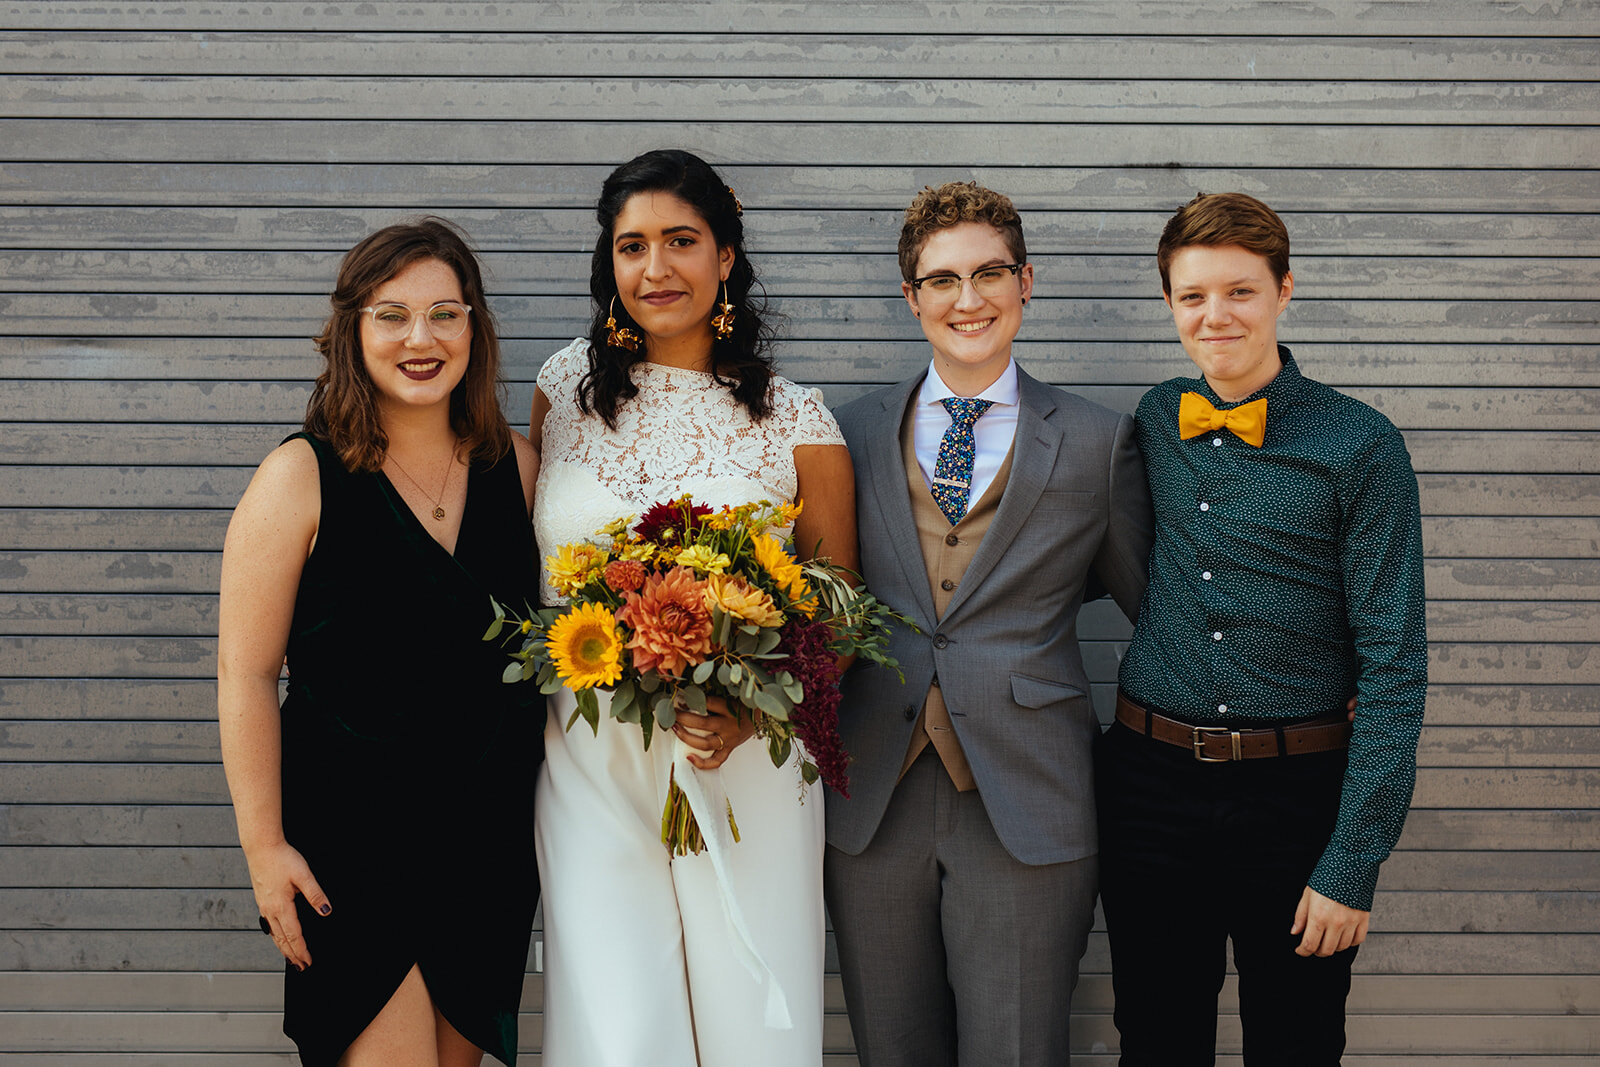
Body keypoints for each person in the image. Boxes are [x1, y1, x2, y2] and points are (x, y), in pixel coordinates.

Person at [529, 148, 856, 1067]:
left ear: (725, 256)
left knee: (753, 1022)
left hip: (742, 756)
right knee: (617, 1027)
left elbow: (840, 612)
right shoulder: (562, 394)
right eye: (632, 246)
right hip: (589, 752)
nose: (655, 268)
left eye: (681, 241)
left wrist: (753, 709)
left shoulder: (798, 421)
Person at [824, 181, 1154, 1066]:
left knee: (1017, 1050)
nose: (967, 300)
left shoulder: (1097, 439)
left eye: (989, 274)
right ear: (911, 296)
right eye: (942, 280)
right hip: (872, 797)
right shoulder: (843, 433)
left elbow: (1156, 610)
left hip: (1028, 795)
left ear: (1027, 281)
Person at [1097, 192, 1428, 1065]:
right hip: (1148, 786)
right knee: (1156, 1039)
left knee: (1298, 1042)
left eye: (1240, 291)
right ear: (1169, 304)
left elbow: (1395, 668)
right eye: (1193, 296)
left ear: (1285, 289)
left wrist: (1353, 859)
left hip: (1300, 797)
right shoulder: (1155, 418)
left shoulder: (1360, 444)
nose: (1216, 316)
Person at [217, 218, 542, 1067]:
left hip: (485, 845)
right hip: (351, 850)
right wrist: (264, 848)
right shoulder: (300, 475)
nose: (420, 338)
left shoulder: (521, 466)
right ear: (353, 332)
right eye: (391, 315)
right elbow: (245, 675)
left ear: (475, 326)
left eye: (445, 313)